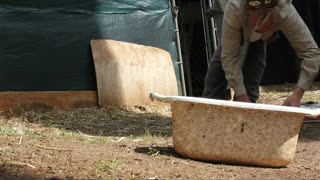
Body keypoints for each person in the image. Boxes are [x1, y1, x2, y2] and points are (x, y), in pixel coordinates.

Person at [202, 0, 320, 107]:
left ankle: (250, 102)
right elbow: (229, 58)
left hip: (259, 16)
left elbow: (311, 53)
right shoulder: (234, 8)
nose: (258, 28)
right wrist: (241, 95)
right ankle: (211, 105)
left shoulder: (284, 10)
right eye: (256, 24)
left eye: (266, 26)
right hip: (228, 7)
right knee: (224, 58)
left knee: (256, 56)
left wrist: (297, 95)